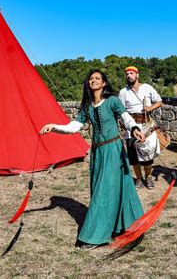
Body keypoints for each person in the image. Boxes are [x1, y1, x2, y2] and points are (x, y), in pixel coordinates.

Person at [40, 69, 145, 249]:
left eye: (97, 78)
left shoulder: (112, 101)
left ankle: (96, 235)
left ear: (104, 83)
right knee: (103, 188)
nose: (93, 80)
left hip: (113, 150)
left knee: (105, 191)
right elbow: (73, 127)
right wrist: (53, 127)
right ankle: (119, 226)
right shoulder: (87, 105)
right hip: (97, 153)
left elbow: (126, 118)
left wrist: (134, 129)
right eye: (91, 78)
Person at [119, 66, 163, 190]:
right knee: (133, 156)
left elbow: (159, 101)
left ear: (137, 75)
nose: (129, 76)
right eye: (127, 74)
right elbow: (121, 110)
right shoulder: (123, 92)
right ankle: (138, 179)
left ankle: (148, 177)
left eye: (131, 73)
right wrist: (124, 124)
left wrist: (150, 108)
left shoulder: (147, 88)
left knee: (147, 154)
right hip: (131, 127)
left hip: (146, 125)